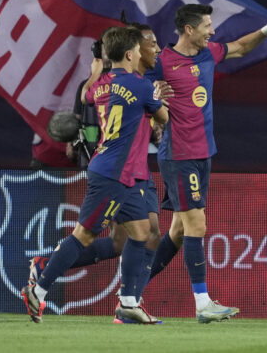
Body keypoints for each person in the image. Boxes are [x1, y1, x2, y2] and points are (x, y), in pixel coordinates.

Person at [142, 3, 267, 323]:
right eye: (207, 26)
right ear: (189, 29)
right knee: (197, 224)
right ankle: (203, 304)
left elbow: (240, 47)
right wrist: (152, 96)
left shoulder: (208, 53)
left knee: (180, 231)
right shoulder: (161, 62)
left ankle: (130, 292)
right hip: (178, 155)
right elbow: (135, 86)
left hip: (203, 152)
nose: (212, 31)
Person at [23, 27, 169, 325]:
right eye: (139, 50)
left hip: (117, 170)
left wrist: (94, 72)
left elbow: (87, 95)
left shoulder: (100, 85)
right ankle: (38, 288)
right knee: (84, 235)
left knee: (141, 233)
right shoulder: (140, 87)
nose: (142, 53)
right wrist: (158, 98)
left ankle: (128, 303)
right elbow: (164, 118)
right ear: (130, 55)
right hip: (114, 173)